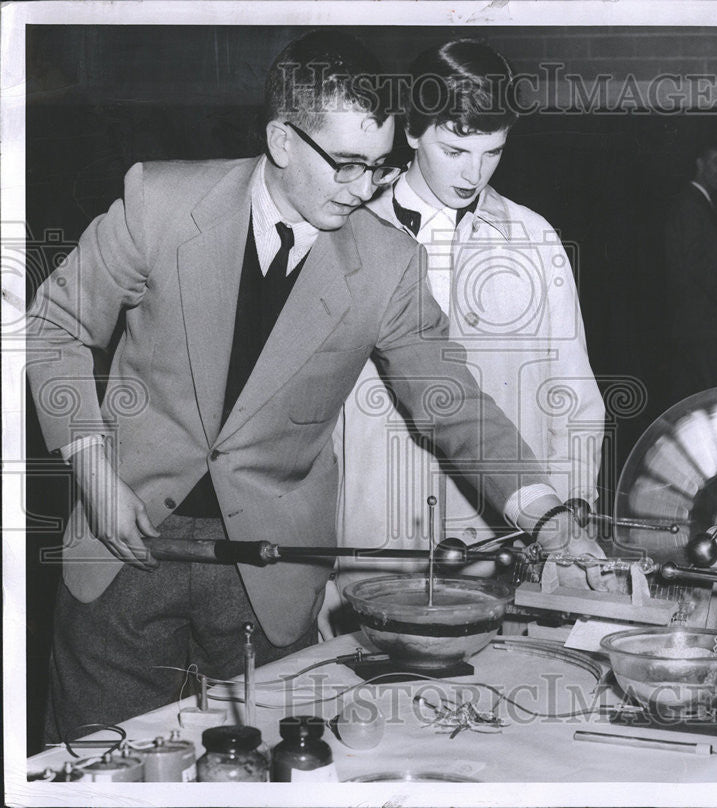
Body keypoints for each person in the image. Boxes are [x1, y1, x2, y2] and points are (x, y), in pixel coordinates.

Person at [25, 30, 607, 741]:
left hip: (272, 574)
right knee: (98, 766)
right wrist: (91, 468)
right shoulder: (160, 202)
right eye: (346, 165)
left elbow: (447, 397)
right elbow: (54, 327)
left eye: (379, 165)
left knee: (271, 769)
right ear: (282, 140)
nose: (365, 189)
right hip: (120, 545)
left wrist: (545, 512)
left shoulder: (388, 262)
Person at [322, 39, 606, 614]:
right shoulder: (341, 234)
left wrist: (567, 516)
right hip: (374, 550)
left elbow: (573, 400)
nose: (473, 173)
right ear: (411, 132)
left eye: (492, 152)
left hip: (499, 549)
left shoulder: (535, 240)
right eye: (454, 150)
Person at [660, 140, 717, 406]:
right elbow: (697, 262)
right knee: (708, 397)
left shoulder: (698, 203)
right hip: (698, 320)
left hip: (692, 319)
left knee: (691, 397)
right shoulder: (692, 205)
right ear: (699, 164)